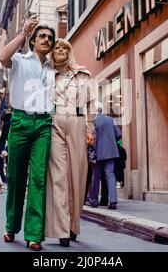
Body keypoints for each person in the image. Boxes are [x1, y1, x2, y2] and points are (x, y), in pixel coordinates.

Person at [0, 14, 56, 251]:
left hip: (44, 124)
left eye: (50, 38)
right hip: (20, 121)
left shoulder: (54, 69)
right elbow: (2, 57)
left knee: (39, 178)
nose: (46, 39)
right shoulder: (20, 60)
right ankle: (11, 226)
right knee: (16, 176)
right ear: (33, 41)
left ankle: (35, 234)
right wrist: (23, 31)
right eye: (41, 36)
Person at [45, 38, 96, 247]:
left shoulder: (84, 75)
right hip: (54, 123)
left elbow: (92, 103)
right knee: (58, 176)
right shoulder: (46, 75)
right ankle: (62, 229)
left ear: (69, 51)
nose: (59, 50)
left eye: (63, 47)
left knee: (78, 175)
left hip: (77, 123)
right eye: (56, 47)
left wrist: (91, 127)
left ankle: (74, 224)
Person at [89, 105, 122, 210]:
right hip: (111, 152)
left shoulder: (94, 121)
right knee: (110, 176)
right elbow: (119, 133)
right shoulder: (111, 120)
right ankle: (113, 201)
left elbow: (92, 139)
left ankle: (93, 201)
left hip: (98, 153)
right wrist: (112, 141)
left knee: (96, 177)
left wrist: (92, 152)